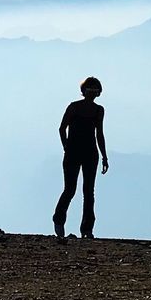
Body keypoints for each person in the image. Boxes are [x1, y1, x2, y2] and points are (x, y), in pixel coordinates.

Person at [53, 76, 108, 239]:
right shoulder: (74, 107)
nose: (92, 91)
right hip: (73, 152)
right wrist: (66, 147)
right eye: (89, 88)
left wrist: (104, 156)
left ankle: (87, 229)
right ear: (83, 91)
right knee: (70, 189)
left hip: (91, 153)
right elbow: (62, 128)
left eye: (95, 89)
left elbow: (100, 134)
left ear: (99, 92)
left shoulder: (99, 110)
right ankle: (59, 219)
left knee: (89, 191)